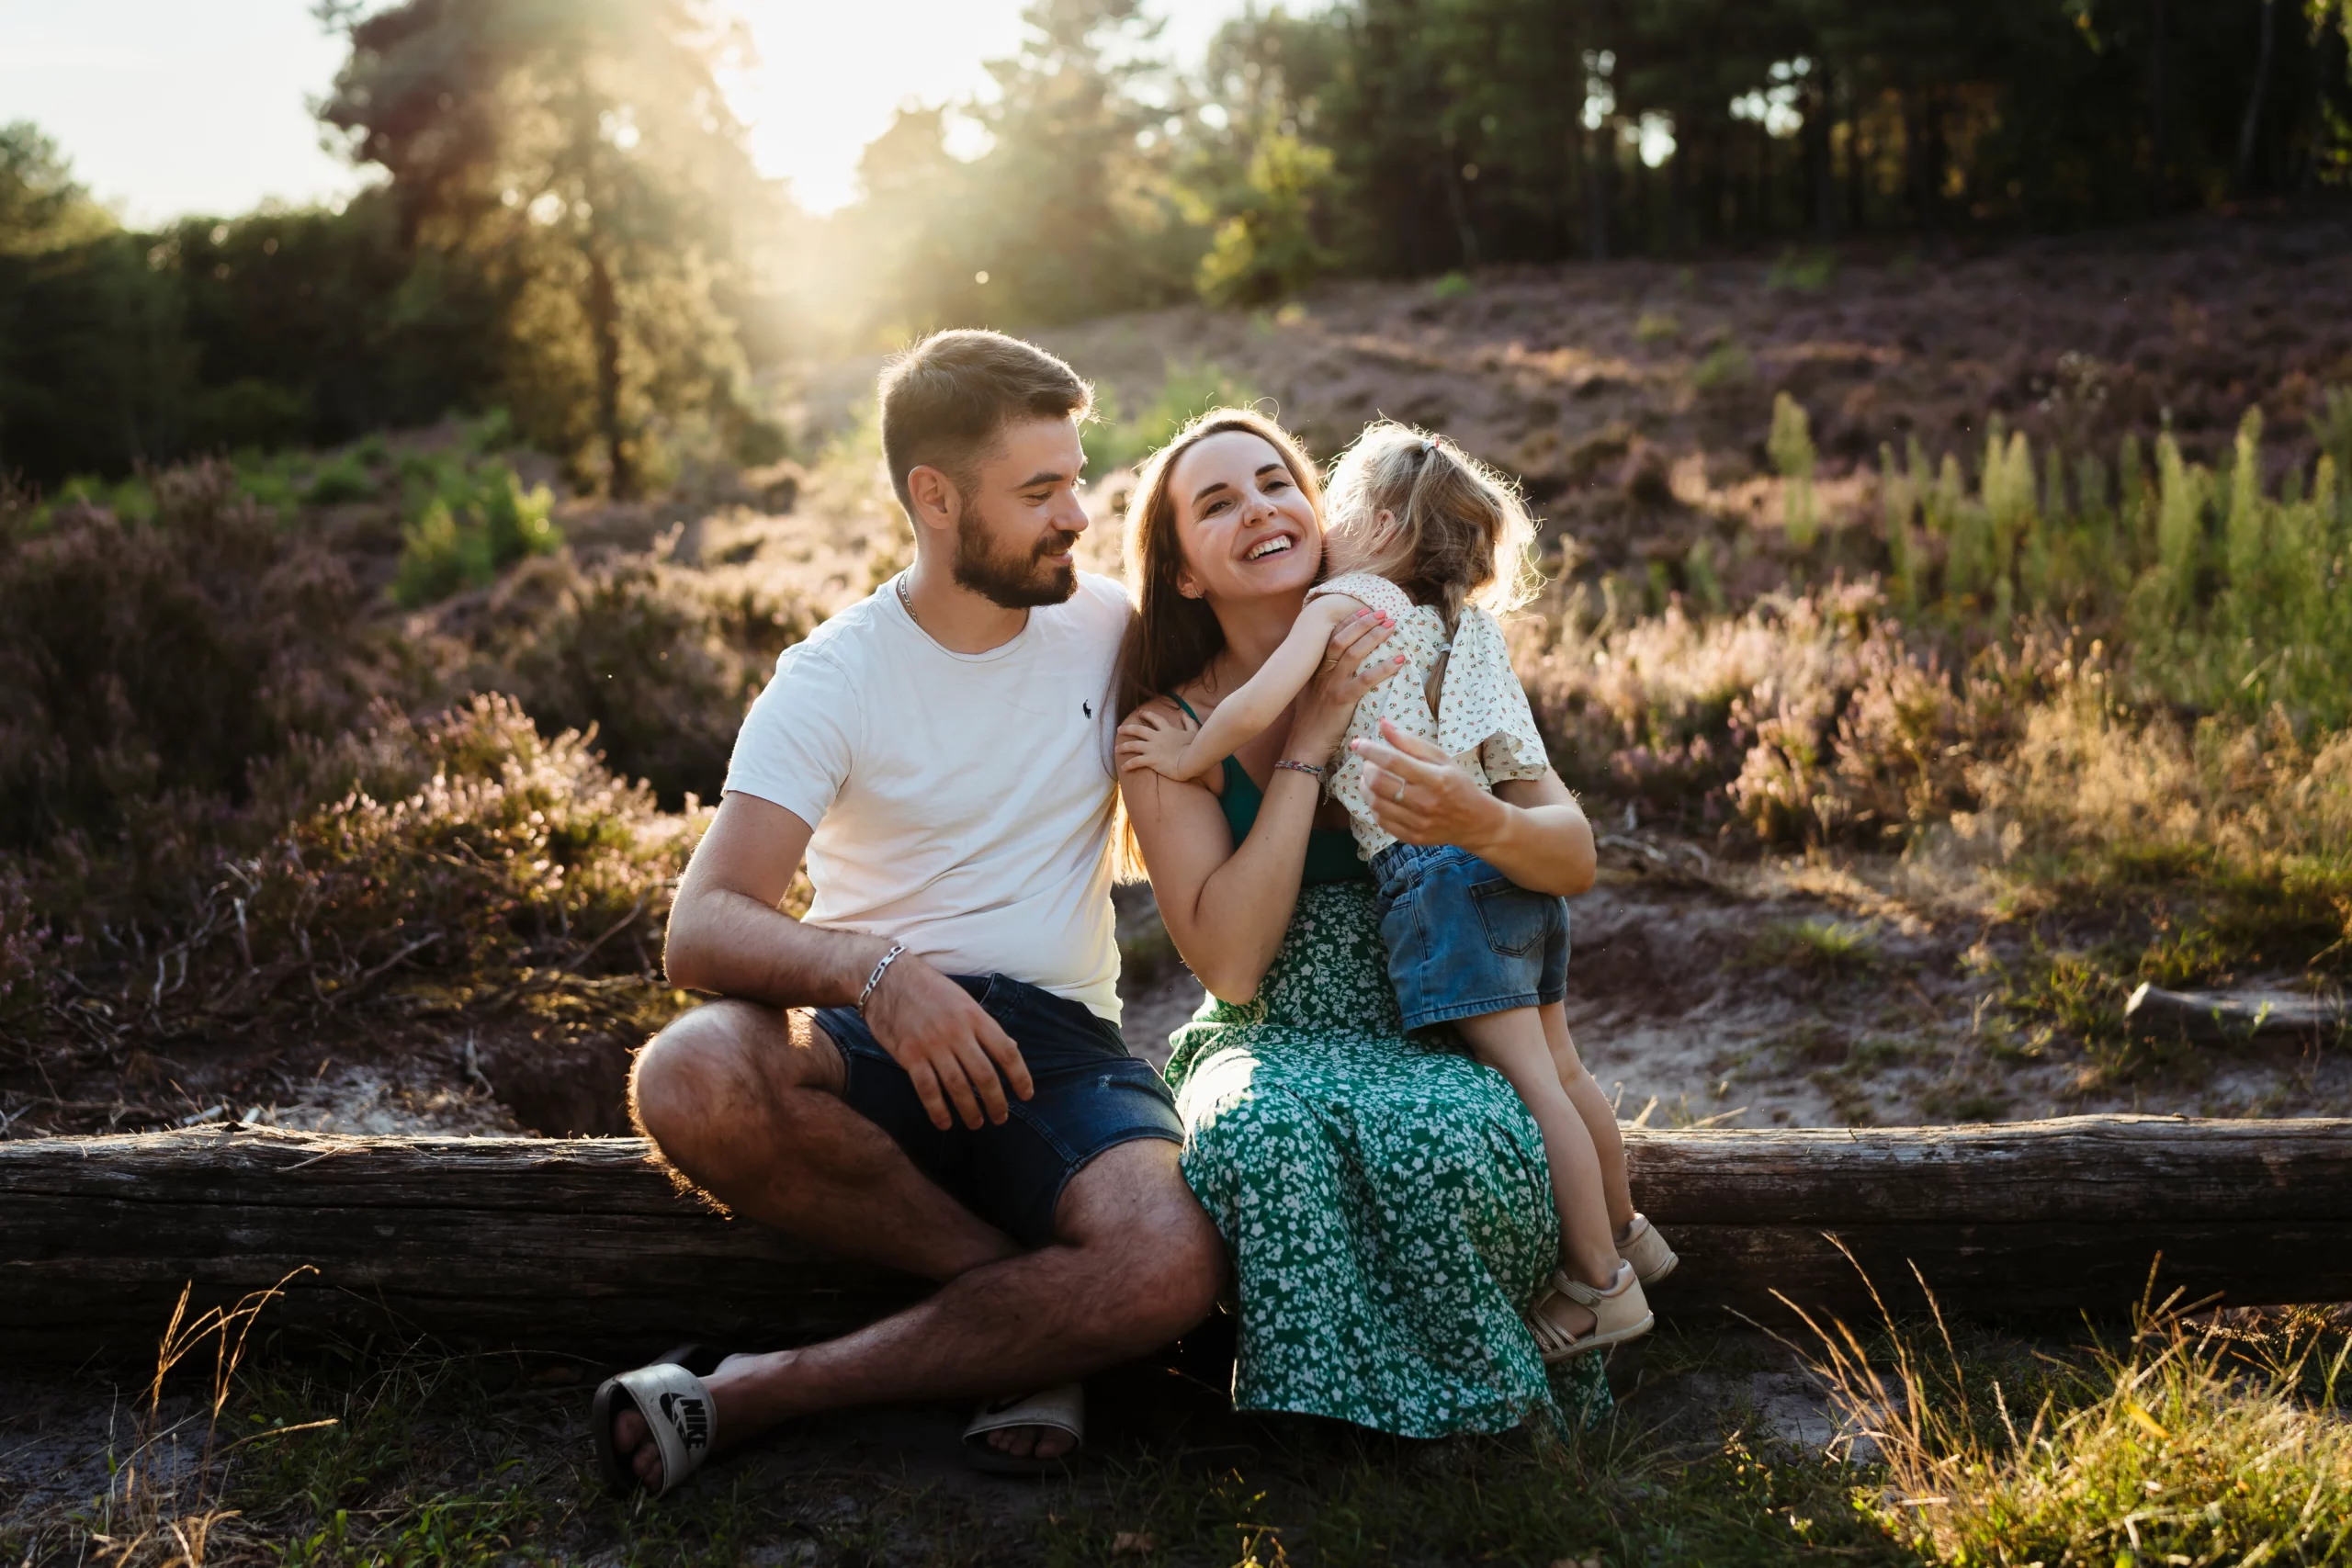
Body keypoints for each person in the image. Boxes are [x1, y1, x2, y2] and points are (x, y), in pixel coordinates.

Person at [593, 329, 1226, 1497]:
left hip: (1063, 1054)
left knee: (1171, 1258)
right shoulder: (833, 676)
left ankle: (752, 1392)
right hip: (864, 1042)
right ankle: (1029, 1318)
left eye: (1075, 479)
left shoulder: (1113, 630)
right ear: (934, 498)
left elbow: (1265, 641)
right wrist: (879, 976)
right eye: (1039, 491)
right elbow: (703, 923)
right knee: (688, 1075)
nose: (1076, 516)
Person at [1120, 421, 1676, 1363]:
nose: (1259, 508)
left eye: (1275, 484)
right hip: (1282, 1024)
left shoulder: (1403, 632)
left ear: (1331, 513)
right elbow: (1234, 968)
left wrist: (1477, 819)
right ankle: (1611, 1254)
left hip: (1433, 982)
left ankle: (1590, 1292)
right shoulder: (1168, 729)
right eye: (1217, 503)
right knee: (1297, 1134)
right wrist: (1311, 734)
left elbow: (1573, 854)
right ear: (1182, 571)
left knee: (1503, 1111)